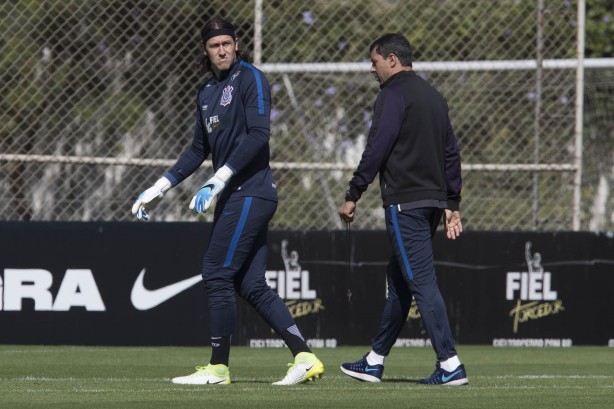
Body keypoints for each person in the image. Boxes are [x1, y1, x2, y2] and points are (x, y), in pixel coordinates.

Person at [131, 17, 324, 386]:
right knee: (251, 285)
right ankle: (305, 356)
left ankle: (218, 369)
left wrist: (219, 178)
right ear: (205, 51)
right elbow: (197, 149)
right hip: (233, 195)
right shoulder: (205, 92)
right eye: (214, 45)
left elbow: (259, 135)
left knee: (216, 272)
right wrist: (159, 187)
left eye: (227, 43)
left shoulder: (251, 77)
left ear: (236, 45)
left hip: (251, 191)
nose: (221, 50)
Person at [337, 33, 467, 385]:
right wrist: (452, 202)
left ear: (392, 60)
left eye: (375, 61)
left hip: (405, 204)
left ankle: (450, 364)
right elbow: (451, 153)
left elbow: (378, 145)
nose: (371, 68)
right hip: (432, 205)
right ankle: (375, 360)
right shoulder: (434, 97)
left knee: (421, 282)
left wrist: (353, 193)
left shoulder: (392, 94)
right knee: (400, 283)